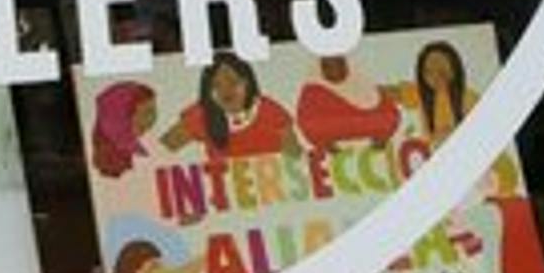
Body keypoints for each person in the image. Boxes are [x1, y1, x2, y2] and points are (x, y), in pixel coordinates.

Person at [161, 53, 299, 159]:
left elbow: (297, 159)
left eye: (233, 82)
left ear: (247, 82)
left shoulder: (270, 112)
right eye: (216, 85)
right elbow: (162, 150)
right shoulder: (201, 116)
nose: (225, 91)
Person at [295, 55, 401, 150]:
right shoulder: (313, 91)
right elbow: (306, 122)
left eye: (340, 64)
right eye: (328, 66)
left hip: (370, 143)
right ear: (321, 68)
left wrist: (383, 136)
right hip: (334, 146)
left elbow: (390, 114)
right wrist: (323, 143)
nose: (335, 70)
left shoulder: (363, 84)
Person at [396, 41, 478, 146]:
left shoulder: (468, 97)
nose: (435, 78)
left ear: (455, 70)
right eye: (428, 72)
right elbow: (393, 93)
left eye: (442, 72)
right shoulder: (420, 93)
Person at [91, 81, 157, 178]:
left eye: (153, 112)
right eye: (148, 113)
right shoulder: (114, 162)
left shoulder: (123, 155)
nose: (152, 120)